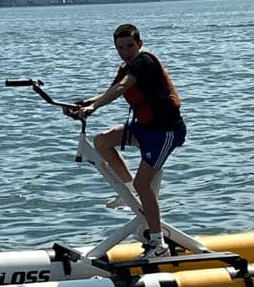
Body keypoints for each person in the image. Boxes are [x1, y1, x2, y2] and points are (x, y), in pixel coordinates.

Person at [76, 23, 186, 259]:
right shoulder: (126, 68)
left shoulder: (144, 62)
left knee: (144, 184)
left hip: (165, 131)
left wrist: (94, 107)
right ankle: (129, 192)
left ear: (140, 44)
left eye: (129, 46)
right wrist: (84, 104)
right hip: (145, 128)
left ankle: (158, 244)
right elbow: (110, 91)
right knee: (102, 141)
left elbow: (122, 87)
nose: (125, 52)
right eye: (120, 48)